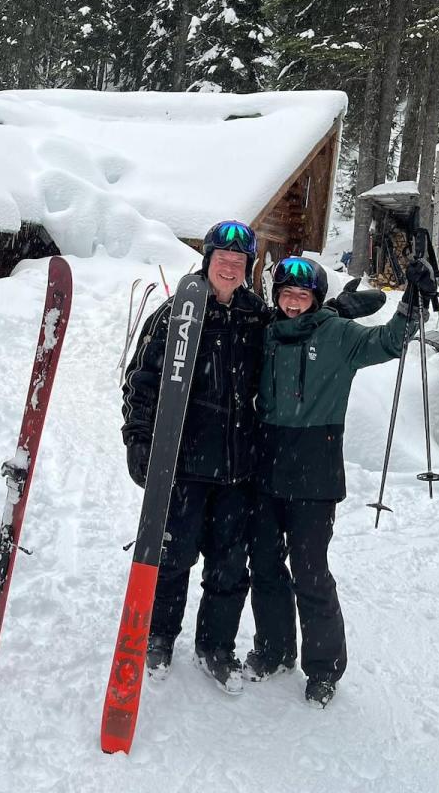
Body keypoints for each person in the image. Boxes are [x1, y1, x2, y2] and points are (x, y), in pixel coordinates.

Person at [244, 253, 437, 707]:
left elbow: (390, 341)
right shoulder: (266, 333)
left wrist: (414, 298)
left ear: (315, 299)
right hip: (266, 465)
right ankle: (273, 650)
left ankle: (325, 668)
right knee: (266, 566)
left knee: (310, 572)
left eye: (302, 296)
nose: (293, 303)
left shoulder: (338, 334)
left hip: (315, 470)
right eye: (286, 295)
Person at [121, 220, 270, 694]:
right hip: (182, 464)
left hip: (237, 468)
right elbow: (142, 380)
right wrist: (139, 438)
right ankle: (160, 637)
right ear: (207, 261)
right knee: (174, 555)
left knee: (230, 564)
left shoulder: (257, 317)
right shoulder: (176, 315)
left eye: (238, 262)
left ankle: (215, 645)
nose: (229, 268)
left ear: (247, 269)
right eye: (222, 260)